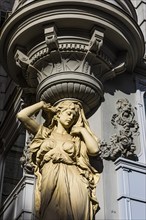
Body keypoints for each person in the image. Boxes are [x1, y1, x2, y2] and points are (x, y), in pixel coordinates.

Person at [17, 99, 100, 220]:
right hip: (51, 174)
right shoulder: (45, 133)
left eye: (74, 115)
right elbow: (21, 115)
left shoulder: (75, 138)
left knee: (78, 212)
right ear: (59, 113)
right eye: (68, 113)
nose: (71, 117)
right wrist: (41, 105)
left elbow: (94, 150)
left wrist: (82, 130)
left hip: (74, 176)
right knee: (50, 213)